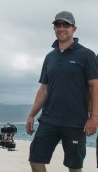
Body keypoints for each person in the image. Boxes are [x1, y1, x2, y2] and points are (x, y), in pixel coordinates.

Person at [26, 11, 98, 172]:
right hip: (49, 119)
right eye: (58, 25)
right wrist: (31, 114)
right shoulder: (50, 57)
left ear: (74, 28)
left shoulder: (86, 55)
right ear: (54, 28)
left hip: (75, 122)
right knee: (35, 159)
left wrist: (94, 117)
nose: (61, 28)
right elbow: (44, 89)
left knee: (74, 166)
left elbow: (95, 87)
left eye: (66, 24)